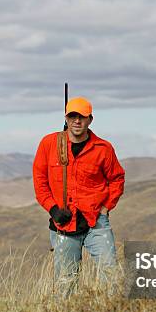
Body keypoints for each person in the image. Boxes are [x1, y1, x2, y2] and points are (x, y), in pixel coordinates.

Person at [32, 96, 125, 297]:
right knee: (66, 285)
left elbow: (117, 179)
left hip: (96, 223)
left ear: (90, 119)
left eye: (81, 117)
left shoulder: (103, 148)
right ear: (65, 118)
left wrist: (106, 207)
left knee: (111, 276)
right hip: (64, 226)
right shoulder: (49, 144)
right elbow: (40, 181)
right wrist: (54, 209)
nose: (76, 121)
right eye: (72, 116)